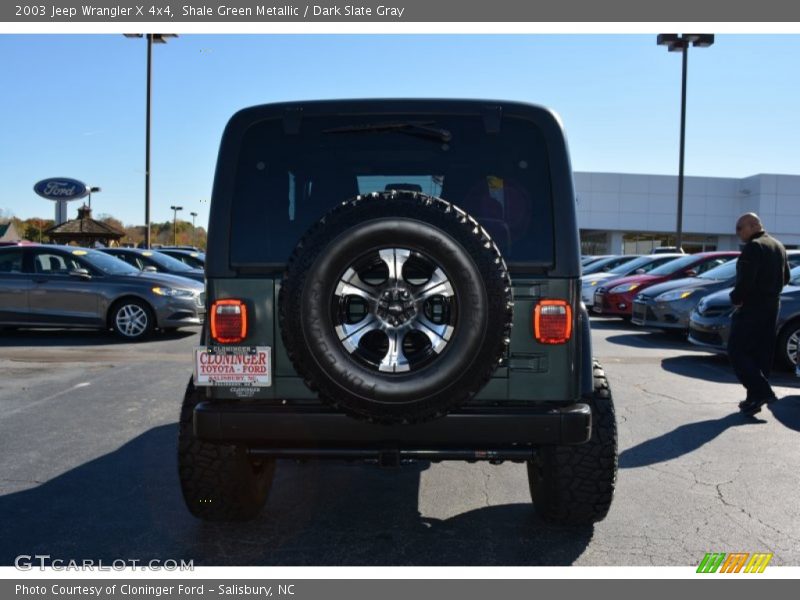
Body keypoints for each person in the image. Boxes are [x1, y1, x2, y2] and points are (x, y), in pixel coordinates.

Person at [728, 213, 790, 415]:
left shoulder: (754, 247)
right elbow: (786, 276)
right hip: (772, 307)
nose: (737, 232)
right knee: (760, 354)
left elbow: (745, 281)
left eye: (740, 228)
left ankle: (762, 391)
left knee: (737, 350)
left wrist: (736, 299)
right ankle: (753, 398)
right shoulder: (778, 245)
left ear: (754, 225)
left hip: (753, 307)